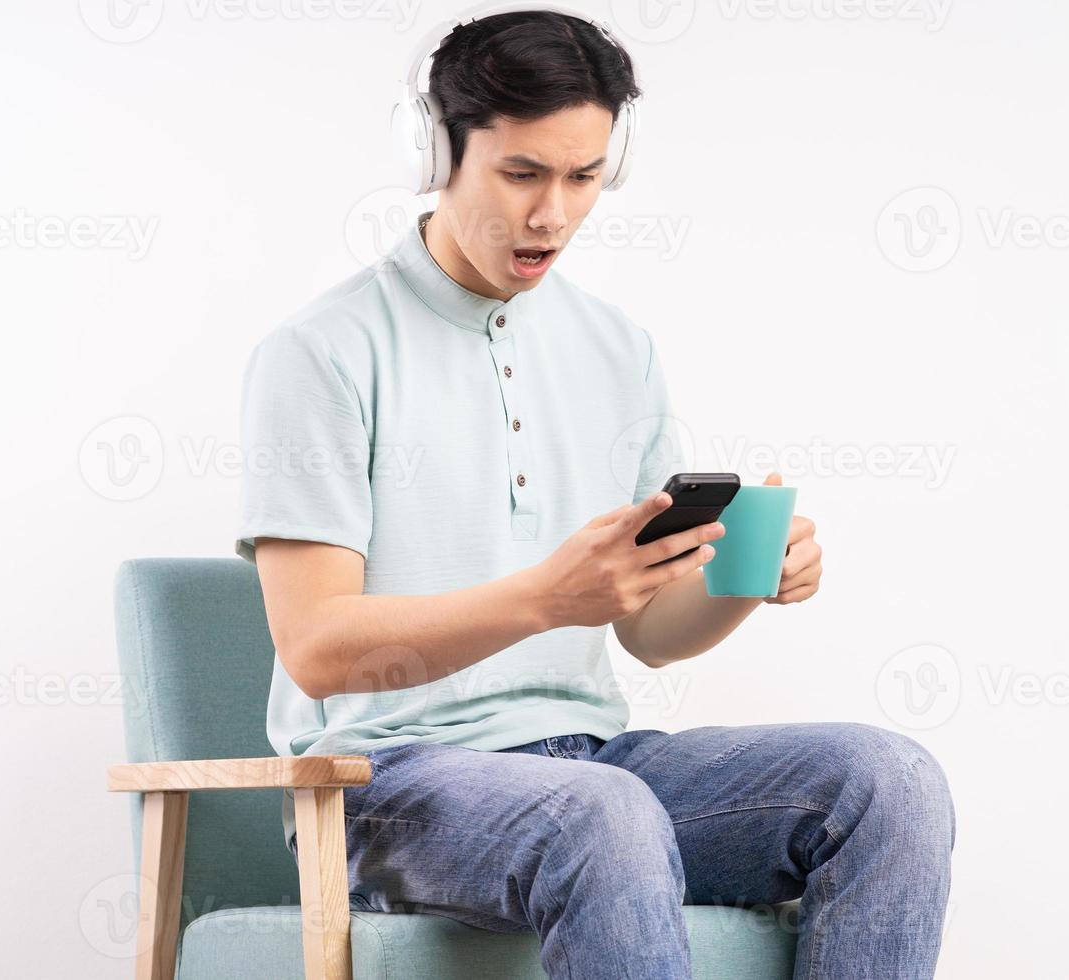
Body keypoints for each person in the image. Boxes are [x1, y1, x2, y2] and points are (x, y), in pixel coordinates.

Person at [234, 9, 953, 978]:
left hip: (592, 761)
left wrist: (743, 574)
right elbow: (317, 648)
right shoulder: (321, 353)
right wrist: (543, 596)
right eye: (522, 173)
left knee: (890, 783)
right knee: (604, 816)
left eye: (583, 176)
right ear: (433, 152)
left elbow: (649, 627)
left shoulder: (619, 349)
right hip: (384, 780)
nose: (553, 216)